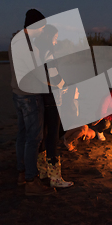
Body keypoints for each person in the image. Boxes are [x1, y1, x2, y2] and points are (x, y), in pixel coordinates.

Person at [9, 9, 54, 196]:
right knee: (34, 138)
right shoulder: (29, 46)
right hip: (30, 95)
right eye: (41, 27)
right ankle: (31, 180)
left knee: (23, 135)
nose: (43, 31)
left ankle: (22, 174)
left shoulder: (15, 41)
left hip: (17, 93)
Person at [33, 24, 73, 188]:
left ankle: (43, 171)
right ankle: (56, 178)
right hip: (52, 97)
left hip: (42, 96)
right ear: (49, 37)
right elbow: (54, 75)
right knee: (53, 136)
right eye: (55, 38)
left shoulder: (37, 51)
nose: (56, 42)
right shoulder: (48, 53)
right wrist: (64, 85)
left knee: (45, 133)